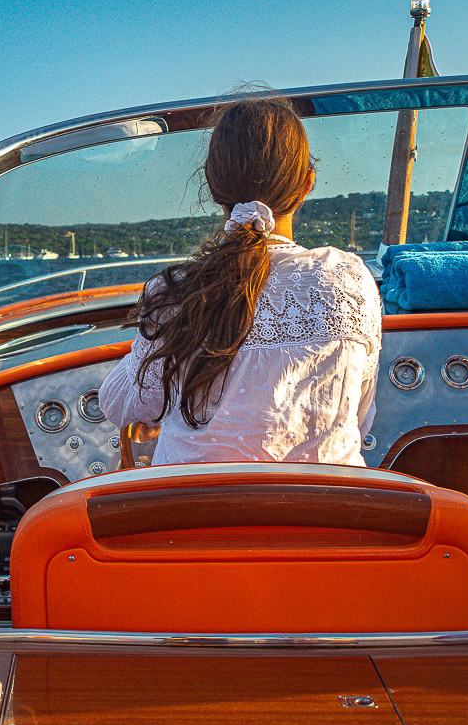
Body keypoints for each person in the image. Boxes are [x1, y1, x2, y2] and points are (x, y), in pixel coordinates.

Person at [99, 95, 381, 466]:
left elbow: (119, 403)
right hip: (327, 518)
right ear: (307, 184)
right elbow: (359, 416)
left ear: (214, 188)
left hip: (196, 519)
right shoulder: (349, 280)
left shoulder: (176, 292)